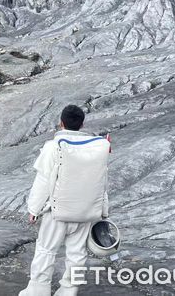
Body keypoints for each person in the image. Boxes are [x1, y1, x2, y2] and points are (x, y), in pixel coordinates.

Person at [19, 105, 110, 296]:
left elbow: (43, 181)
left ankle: (38, 291)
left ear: (61, 123)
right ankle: (69, 291)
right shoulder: (96, 147)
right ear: (82, 124)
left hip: (57, 212)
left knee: (46, 251)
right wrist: (103, 210)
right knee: (77, 255)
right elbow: (100, 180)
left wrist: (33, 210)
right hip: (85, 213)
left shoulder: (53, 146)